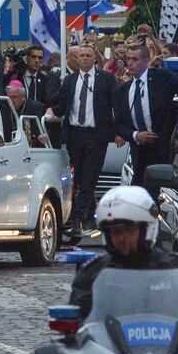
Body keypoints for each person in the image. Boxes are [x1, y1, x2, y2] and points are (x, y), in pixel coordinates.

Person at [68, 186, 178, 321]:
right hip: (109, 345)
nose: (122, 238)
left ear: (146, 229)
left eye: (128, 230)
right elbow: (78, 328)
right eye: (115, 232)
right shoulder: (91, 273)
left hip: (169, 343)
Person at [49, 44, 117, 239]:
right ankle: (94, 218)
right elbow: (61, 105)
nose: (85, 58)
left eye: (89, 55)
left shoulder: (106, 79)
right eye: (82, 56)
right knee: (78, 178)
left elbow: (117, 105)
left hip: (96, 136)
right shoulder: (69, 81)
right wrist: (48, 111)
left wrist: (119, 131)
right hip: (74, 135)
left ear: (95, 59)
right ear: (76, 60)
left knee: (89, 177)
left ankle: (77, 219)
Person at [115, 43, 178, 189]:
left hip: (164, 149)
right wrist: (135, 135)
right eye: (128, 59)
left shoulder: (162, 78)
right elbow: (118, 125)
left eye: (135, 59)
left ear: (146, 61)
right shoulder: (122, 90)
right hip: (139, 152)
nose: (130, 63)